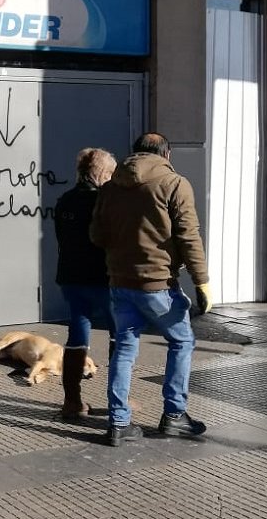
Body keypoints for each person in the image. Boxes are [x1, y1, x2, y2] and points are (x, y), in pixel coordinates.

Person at [90, 132, 212, 447]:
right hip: (158, 284)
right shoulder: (175, 184)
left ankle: (118, 423)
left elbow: (96, 236)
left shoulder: (110, 188)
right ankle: (174, 416)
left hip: (120, 282)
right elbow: (189, 236)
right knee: (182, 342)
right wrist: (202, 281)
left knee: (125, 349)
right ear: (166, 155)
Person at [54, 147, 117, 419]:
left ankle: (72, 400)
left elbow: (61, 239)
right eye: (111, 173)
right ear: (102, 173)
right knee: (120, 336)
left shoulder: (65, 200)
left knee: (77, 335)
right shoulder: (105, 200)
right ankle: (118, 401)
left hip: (71, 278)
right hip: (104, 279)